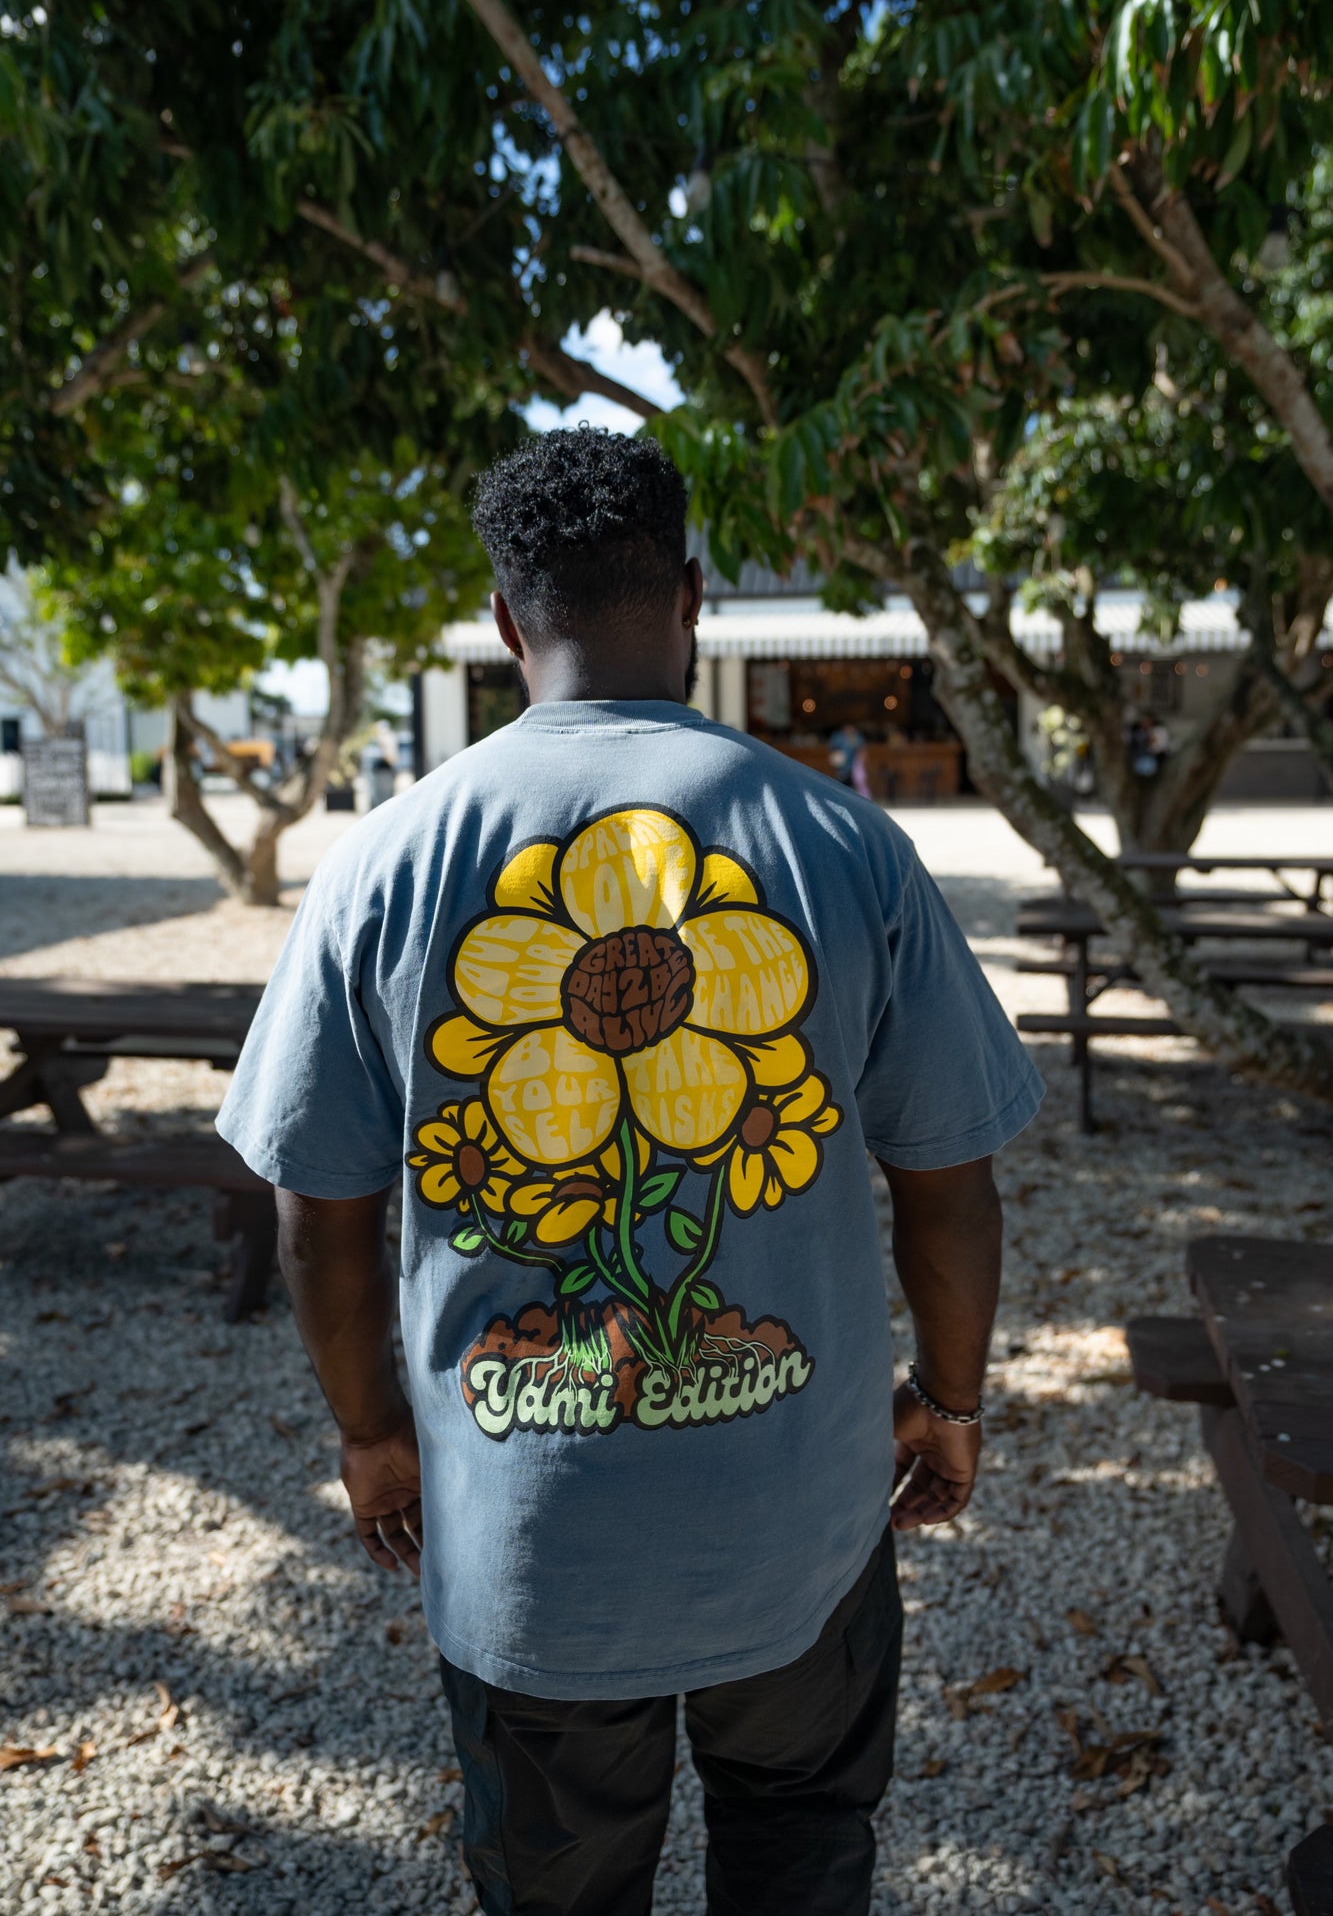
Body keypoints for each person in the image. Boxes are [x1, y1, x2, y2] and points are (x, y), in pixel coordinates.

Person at [217, 430, 1043, 1916]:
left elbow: (316, 1220)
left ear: (502, 621)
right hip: (804, 1531)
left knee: (555, 1888)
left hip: (527, 1548)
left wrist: (373, 1434)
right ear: (694, 595)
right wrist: (954, 1401)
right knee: (799, 1853)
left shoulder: (387, 861)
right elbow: (947, 1182)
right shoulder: (844, 844)